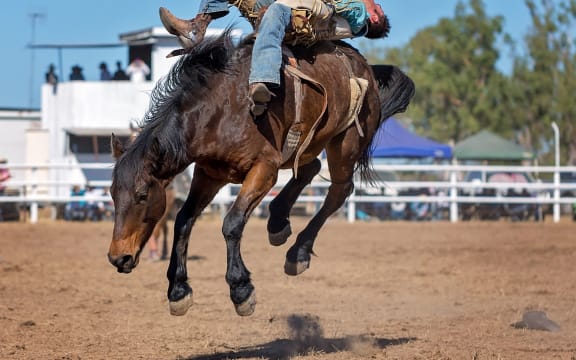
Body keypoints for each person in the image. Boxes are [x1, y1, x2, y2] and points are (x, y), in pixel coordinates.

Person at [158, 0, 389, 115]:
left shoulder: (358, 12)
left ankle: (263, 80)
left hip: (295, 15)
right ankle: (195, 29)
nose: (374, 2)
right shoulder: (354, 18)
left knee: (275, 13)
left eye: (377, 7)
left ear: (375, 17)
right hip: (291, 8)